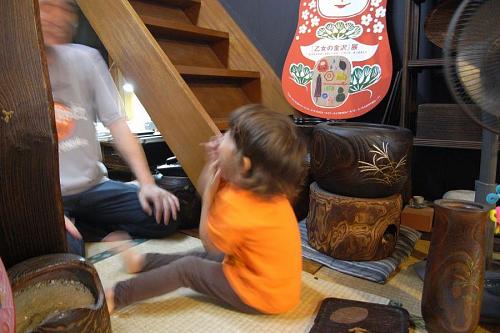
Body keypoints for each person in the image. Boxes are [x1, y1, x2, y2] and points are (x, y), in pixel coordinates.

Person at [105, 105, 307, 315]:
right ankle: (141, 262)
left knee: (189, 268)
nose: (221, 136)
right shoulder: (260, 186)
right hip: (272, 284)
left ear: (243, 163)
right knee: (199, 256)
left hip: (260, 295)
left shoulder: (238, 202)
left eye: (229, 134)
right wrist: (211, 165)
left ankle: (117, 295)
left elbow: (211, 244)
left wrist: (210, 198)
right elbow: (205, 188)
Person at [39, 0, 180, 255]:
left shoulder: (88, 59)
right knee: (68, 253)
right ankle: (92, 231)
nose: (56, 17)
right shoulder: (13, 70)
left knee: (166, 215)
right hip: (47, 198)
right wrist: (46, 212)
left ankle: (91, 228)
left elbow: (118, 125)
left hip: (94, 187)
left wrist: (147, 183)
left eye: (65, 9)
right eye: (46, 6)